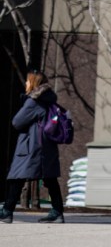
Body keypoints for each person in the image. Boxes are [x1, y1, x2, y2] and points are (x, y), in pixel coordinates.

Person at [0, 71, 65, 224]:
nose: (26, 84)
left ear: (34, 83)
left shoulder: (34, 102)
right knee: (50, 178)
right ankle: (57, 212)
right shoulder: (49, 100)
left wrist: (25, 103)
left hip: (31, 147)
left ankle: (7, 211)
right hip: (46, 146)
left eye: (28, 81)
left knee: (17, 177)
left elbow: (17, 122)